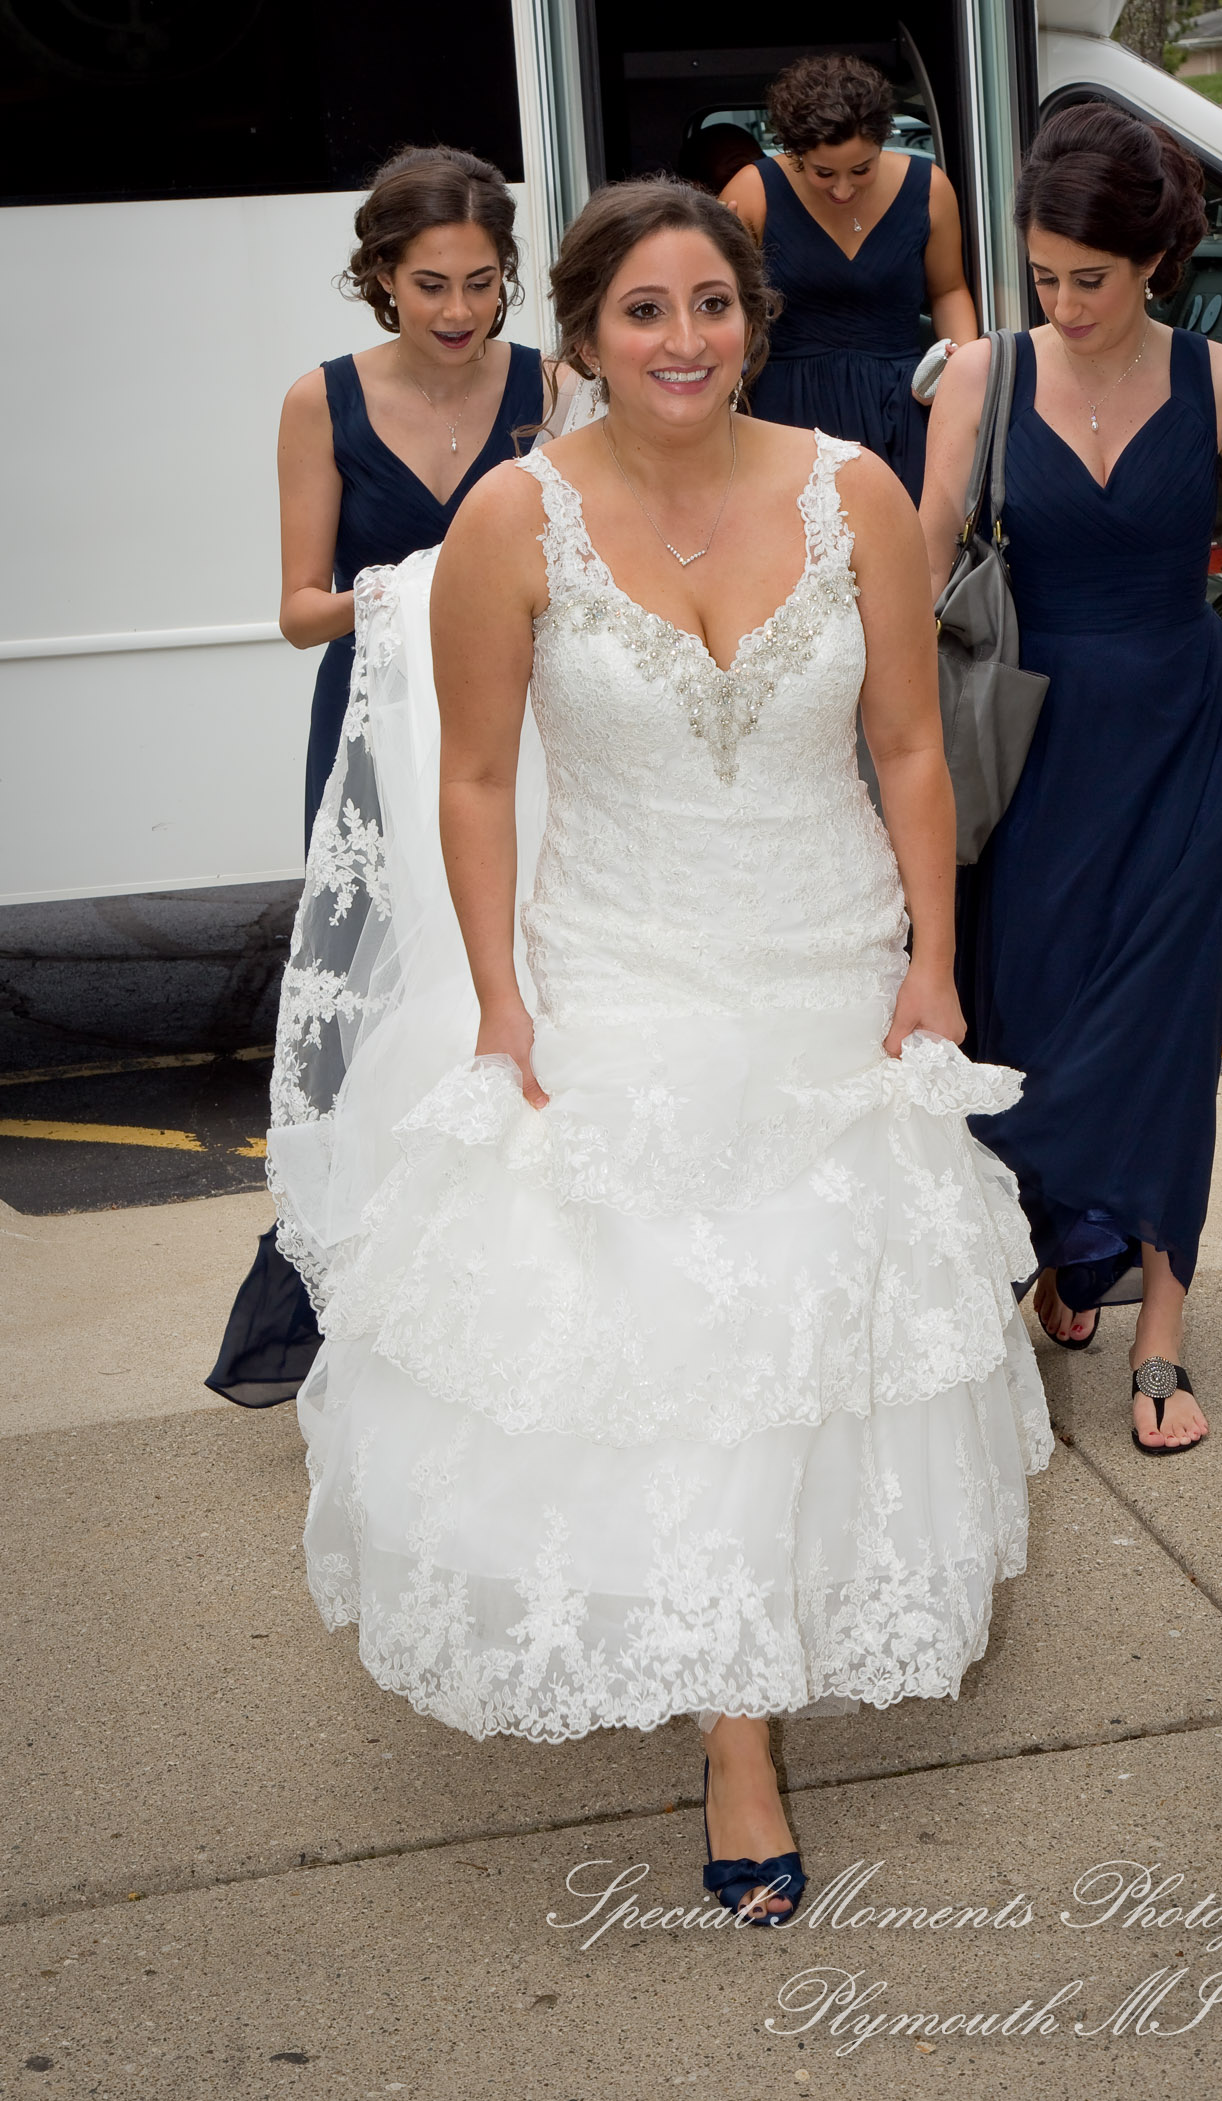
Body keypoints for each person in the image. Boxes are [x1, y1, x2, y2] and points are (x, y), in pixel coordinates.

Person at [267, 178, 1051, 1924]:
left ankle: (754, 1685)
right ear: (586, 332)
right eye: (642, 312)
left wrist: (933, 966)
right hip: (612, 964)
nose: (681, 341)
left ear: (750, 320)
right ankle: (737, 1748)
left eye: (710, 305)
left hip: (824, 962)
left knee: (804, 1336)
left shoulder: (856, 497)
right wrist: (498, 1001)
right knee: (680, 1345)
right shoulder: (508, 522)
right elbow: (475, 779)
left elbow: (914, 751)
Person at [920, 102, 1222, 1456]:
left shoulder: (1221, 387)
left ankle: (1162, 1321)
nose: (1063, 301)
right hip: (1031, 752)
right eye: (1042, 275)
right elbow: (920, 558)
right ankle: (1057, 1250)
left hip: (1182, 740)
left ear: (1156, 261)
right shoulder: (981, 379)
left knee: (1164, 1037)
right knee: (1025, 1028)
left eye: (1087, 279)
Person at [206, 144, 550, 1410]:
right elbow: (299, 609)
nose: (459, 311)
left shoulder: (550, 385)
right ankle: (360, 1304)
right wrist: (411, 595)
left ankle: (515, 1284)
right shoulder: (321, 401)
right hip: (368, 729)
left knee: (515, 983)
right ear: (380, 281)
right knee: (372, 1007)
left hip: (520, 727)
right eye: (430, 285)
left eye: (480, 281)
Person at [721, 55, 977, 502]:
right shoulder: (752, 191)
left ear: (882, 142)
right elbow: (719, 306)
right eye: (824, 173)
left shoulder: (929, 188)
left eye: (862, 169)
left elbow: (949, 290)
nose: (843, 189)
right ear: (795, 154)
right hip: (786, 412)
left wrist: (966, 379)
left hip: (901, 408)